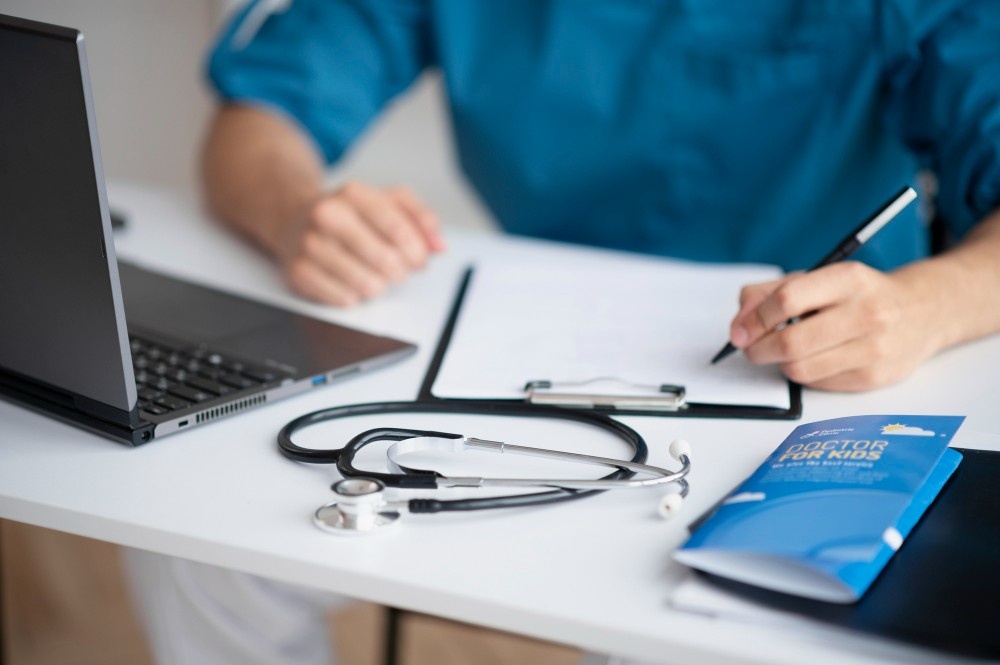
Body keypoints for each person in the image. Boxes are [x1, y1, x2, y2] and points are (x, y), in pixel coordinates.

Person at [126, 1, 1000, 663]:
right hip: (520, 364)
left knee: (692, 620)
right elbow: (258, 118)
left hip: (821, 390)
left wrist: (929, 303)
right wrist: (297, 214)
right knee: (206, 550)